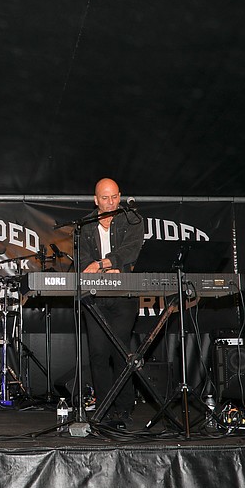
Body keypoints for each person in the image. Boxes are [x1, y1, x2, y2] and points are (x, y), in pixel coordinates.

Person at [78, 178, 144, 427]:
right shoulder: (84, 225)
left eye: (114, 197)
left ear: (120, 196)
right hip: (94, 296)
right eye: (105, 198)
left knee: (121, 351)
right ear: (96, 200)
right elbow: (82, 258)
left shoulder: (132, 219)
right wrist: (95, 267)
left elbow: (132, 250)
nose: (110, 202)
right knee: (98, 353)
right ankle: (103, 407)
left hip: (124, 295)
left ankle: (124, 408)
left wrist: (104, 264)